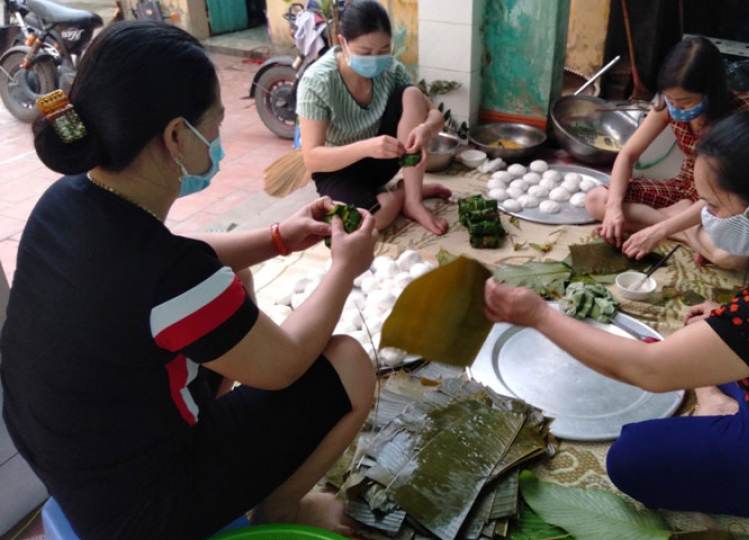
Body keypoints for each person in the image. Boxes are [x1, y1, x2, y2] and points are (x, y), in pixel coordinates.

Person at [0, 21, 378, 539]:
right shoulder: (165, 273)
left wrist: (281, 238)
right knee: (350, 363)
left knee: (233, 277)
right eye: (216, 125)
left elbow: (181, 264)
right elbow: (285, 363)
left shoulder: (65, 202)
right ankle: (282, 507)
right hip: (142, 513)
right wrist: (344, 268)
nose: (219, 140)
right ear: (177, 136)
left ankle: (214, 434)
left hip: (72, 465)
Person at [484, 108, 749, 525]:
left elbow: (648, 371)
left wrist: (537, 314)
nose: (705, 217)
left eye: (715, 206)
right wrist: (725, 327)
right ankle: (718, 401)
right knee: (701, 337)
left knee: (633, 456)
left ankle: (735, 430)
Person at [586, 36, 749, 269]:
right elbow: (628, 155)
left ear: (710, 91)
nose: (676, 108)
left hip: (721, 202)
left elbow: (723, 195)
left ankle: (675, 224)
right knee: (596, 200)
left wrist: (660, 231)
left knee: (731, 258)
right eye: (670, 100)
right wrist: (614, 209)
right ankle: (688, 232)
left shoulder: (743, 116)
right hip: (682, 188)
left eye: (686, 102)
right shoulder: (667, 106)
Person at [296, 0, 450, 236]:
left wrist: (425, 130)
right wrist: (366, 147)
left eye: (383, 50)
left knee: (411, 94)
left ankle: (414, 201)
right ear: (343, 43)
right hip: (337, 168)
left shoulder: (390, 69)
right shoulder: (317, 81)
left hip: (384, 156)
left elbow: (435, 114)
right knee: (365, 223)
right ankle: (405, 193)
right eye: (365, 52)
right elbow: (312, 159)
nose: (375, 59)